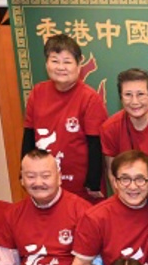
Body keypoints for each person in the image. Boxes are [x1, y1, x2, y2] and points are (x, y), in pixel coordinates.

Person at [22, 34, 108, 202]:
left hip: (80, 187)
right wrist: (23, 172)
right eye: (55, 61)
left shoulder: (89, 98)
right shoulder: (37, 93)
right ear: (46, 63)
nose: (61, 67)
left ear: (79, 64)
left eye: (67, 62)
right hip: (44, 184)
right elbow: (29, 136)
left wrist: (93, 183)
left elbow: (95, 144)